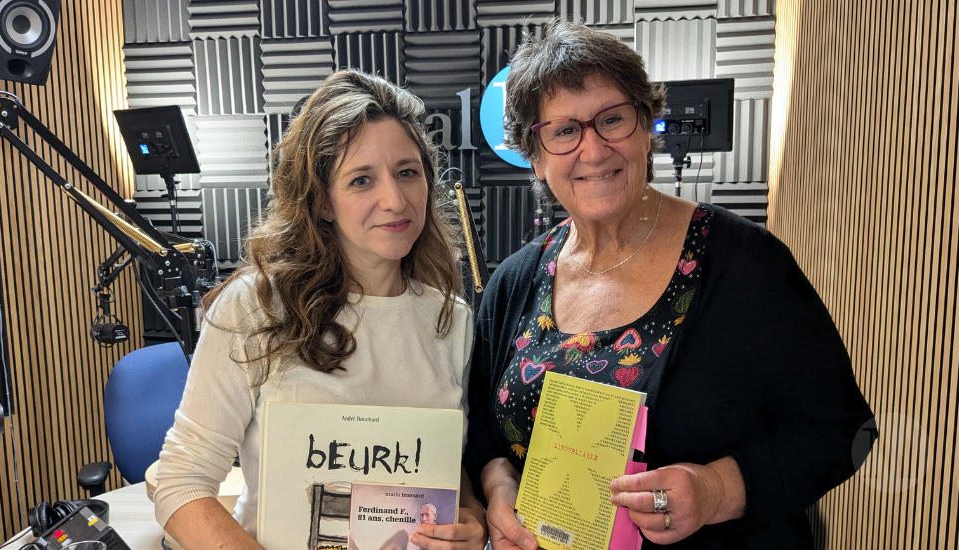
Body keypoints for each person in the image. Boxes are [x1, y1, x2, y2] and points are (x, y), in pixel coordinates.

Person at [463, 20, 876, 549]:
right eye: (564, 130)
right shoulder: (514, 281)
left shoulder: (745, 263)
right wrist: (499, 488)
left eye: (612, 119)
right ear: (536, 156)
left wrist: (717, 488)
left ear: (647, 123)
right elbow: (481, 431)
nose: (593, 151)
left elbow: (840, 430)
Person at [153, 69, 487, 550]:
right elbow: (181, 482)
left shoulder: (452, 320)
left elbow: (442, 462)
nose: (394, 200)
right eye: (361, 180)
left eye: (407, 172)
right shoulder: (255, 307)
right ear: (322, 202)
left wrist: (469, 517)